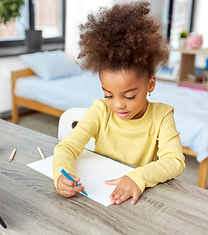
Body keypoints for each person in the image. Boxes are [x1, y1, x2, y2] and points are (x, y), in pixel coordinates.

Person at [52, 1, 186, 205]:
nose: (118, 105)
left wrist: (138, 177)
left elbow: (175, 161)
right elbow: (67, 148)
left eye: (129, 96)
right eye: (108, 95)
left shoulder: (162, 115)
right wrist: (61, 175)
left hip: (138, 200)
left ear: (150, 84)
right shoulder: (99, 111)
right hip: (98, 196)